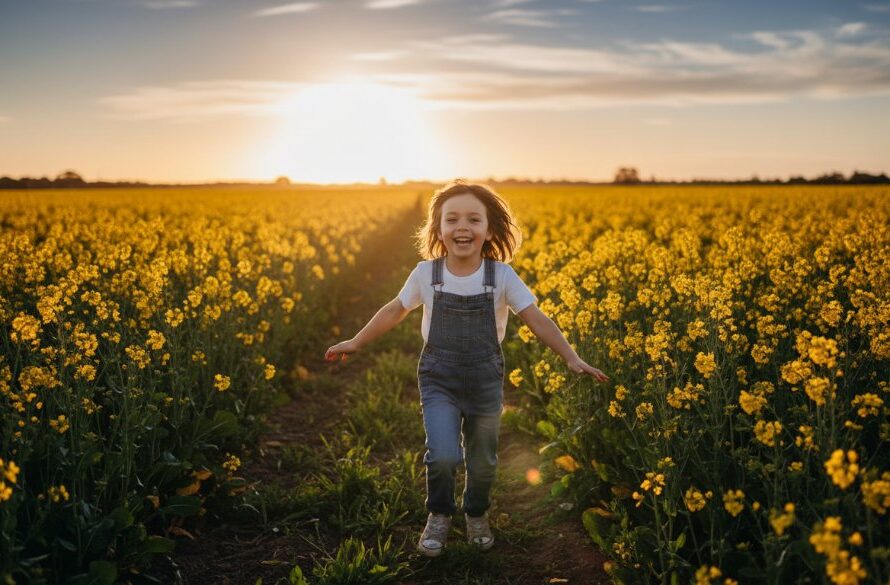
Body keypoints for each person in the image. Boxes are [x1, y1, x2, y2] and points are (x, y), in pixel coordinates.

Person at [324, 180, 609, 557]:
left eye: (473, 219)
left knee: (483, 459)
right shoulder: (427, 274)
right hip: (438, 377)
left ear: (489, 230)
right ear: (438, 230)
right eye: (451, 219)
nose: (462, 227)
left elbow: (536, 318)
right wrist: (356, 341)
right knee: (442, 455)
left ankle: (476, 512)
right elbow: (394, 309)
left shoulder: (501, 276)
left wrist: (571, 357)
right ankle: (439, 514)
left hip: (484, 380)